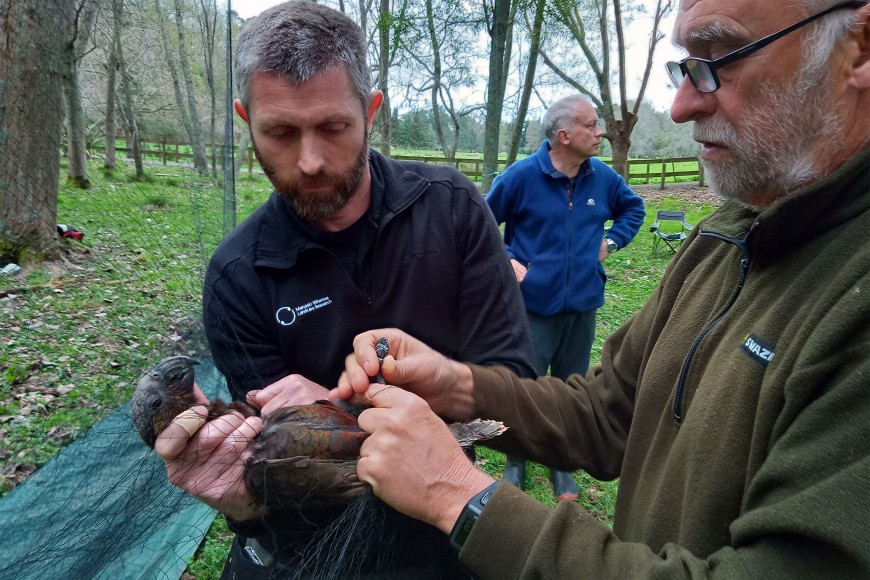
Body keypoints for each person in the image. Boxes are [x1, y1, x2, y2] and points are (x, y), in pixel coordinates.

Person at [333, 0, 870, 576]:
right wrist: (457, 384)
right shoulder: (725, 237)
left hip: (581, 301)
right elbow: (605, 412)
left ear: (858, 46)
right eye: (684, 66)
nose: (682, 105)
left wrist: (457, 498)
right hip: (540, 307)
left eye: (719, 58)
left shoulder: (849, 292)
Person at [153, 1, 535, 578]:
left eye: (333, 128)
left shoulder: (452, 208)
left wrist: (340, 415)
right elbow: (274, 474)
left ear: (371, 111)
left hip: (450, 532)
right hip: (324, 551)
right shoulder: (238, 276)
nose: (309, 161)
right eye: (280, 132)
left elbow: (517, 388)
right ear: (244, 119)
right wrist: (271, 463)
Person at [485, 95, 645, 500]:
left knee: (571, 386)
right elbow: (481, 223)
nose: (600, 132)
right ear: (563, 134)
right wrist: (507, 260)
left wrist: (612, 239)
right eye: (591, 125)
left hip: (583, 306)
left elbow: (634, 209)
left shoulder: (603, 178)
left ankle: (561, 464)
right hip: (533, 310)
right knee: (524, 385)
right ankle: (515, 459)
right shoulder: (520, 177)